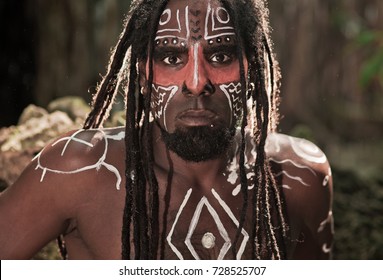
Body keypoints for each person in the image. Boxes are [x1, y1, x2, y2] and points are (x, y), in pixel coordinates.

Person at [0, 0, 333, 260]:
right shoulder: (77, 171)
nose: (197, 82)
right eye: (172, 58)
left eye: (220, 55)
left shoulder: (298, 175)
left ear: (251, 69)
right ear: (144, 75)